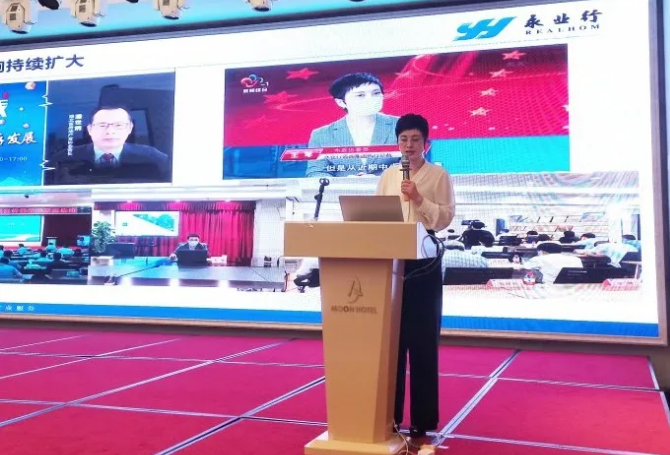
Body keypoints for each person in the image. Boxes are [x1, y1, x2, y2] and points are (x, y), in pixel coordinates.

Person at [375, 113, 456, 438]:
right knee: (391, 344)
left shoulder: (438, 175)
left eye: (415, 140)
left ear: (426, 143)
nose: (409, 146)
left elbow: (444, 218)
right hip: (391, 262)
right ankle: (390, 416)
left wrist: (419, 198)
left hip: (424, 264)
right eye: (403, 140)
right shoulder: (387, 176)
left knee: (422, 342)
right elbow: (375, 217)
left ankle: (423, 420)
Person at [306, 72, 399, 178]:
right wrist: (346, 183)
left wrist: (379, 180)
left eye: (376, 93)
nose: (370, 99)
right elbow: (316, 171)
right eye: (360, 95)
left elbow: (412, 165)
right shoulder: (321, 134)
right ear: (341, 102)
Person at [49, 106, 170, 185]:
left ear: (129, 128)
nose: (110, 131)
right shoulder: (64, 158)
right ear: (90, 129)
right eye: (102, 125)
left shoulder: (152, 157)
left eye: (118, 125)